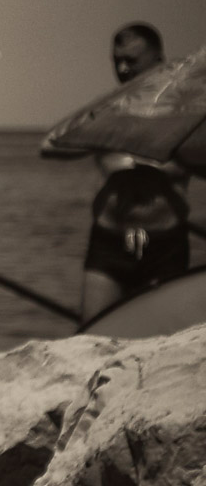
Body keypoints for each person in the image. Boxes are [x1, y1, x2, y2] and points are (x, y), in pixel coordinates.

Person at [79, 23, 190, 319]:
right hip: (109, 241)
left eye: (132, 60)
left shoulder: (185, 116)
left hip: (164, 244)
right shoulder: (104, 112)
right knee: (90, 340)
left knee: (162, 343)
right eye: (117, 61)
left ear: (158, 62)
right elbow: (52, 147)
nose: (123, 69)